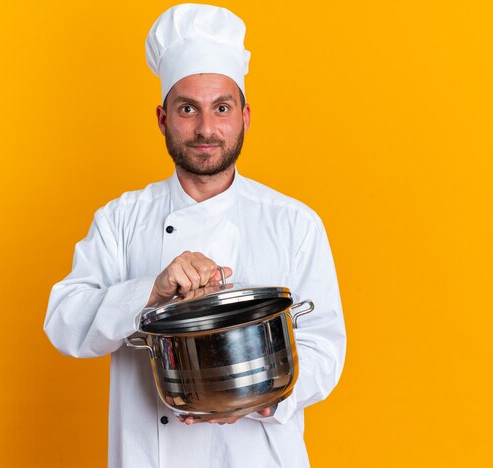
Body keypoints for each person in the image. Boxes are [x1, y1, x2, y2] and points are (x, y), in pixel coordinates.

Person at [44, 4, 346, 467]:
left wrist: (260, 396)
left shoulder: (294, 223)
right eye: (188, 109)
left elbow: (324, 350)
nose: (206, 129)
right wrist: (150, 292)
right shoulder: (120, 219)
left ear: (244, 116)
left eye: (221, 108)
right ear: (163, 118)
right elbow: (63, 324)